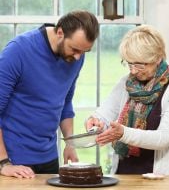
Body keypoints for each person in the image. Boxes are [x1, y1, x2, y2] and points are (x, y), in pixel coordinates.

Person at [0, 10, 99, 178]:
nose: (78, 57)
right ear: (60, 32)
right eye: (74, 49)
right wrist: (3, 163)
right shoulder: (18, 51)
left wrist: (69, 143)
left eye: (83, 52)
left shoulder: (76, 57)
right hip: (13, 159)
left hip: (49, 158)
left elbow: (65, 102)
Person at [85, 25, 169, 175]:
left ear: (157, 58)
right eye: (129, 63)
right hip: (125, 174)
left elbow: (164, 138)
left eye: (139, 65)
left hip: (161, 179)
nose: (133, 71)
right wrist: (95, 120)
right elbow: (105, 113)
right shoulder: (127, 83)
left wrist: (123, 133)